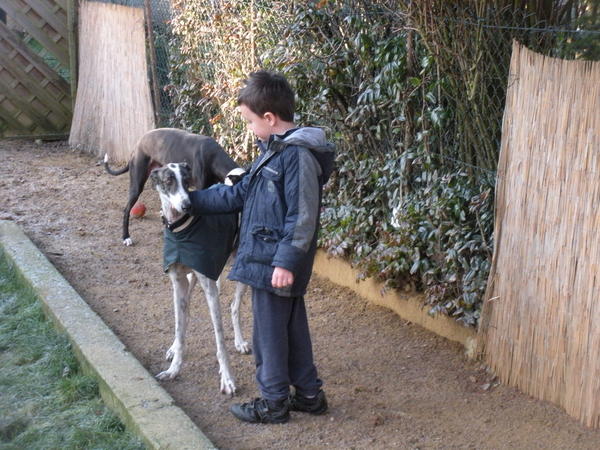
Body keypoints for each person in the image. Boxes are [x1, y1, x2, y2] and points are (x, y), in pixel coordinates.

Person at [188, 70, 335, 424]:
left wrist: (284, 262)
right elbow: (240, 193)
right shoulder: (273, 152)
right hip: (271, 260)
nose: (249, 128)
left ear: (269, 118)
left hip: (276, 262)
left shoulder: (296, 156)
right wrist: (191, 200)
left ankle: (273, 402)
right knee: (291, 329)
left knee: (268, 335)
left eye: (249, 121)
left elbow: (302, 216)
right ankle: (310, 395)